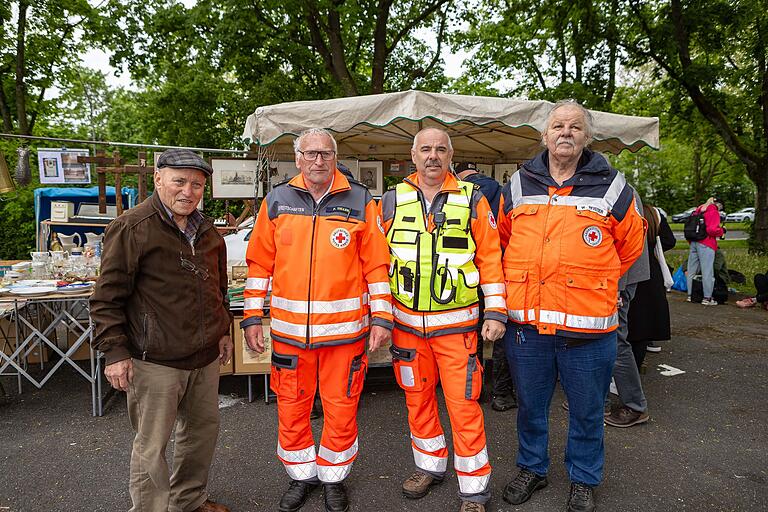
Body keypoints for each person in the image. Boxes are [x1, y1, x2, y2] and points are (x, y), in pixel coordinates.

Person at [497, 100, 645, 512]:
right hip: (527, 327)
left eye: (575, 127)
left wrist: (596, 283)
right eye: (558, 126)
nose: (565, 132)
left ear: (587, 137)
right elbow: (503, 240)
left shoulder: (613, 187)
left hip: (589, 331)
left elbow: (631, 246)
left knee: (587, 410)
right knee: (530, 407)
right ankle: (532, 468)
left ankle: (583, 478)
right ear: (544, 136)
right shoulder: (518, 184)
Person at [242, 128, 393, 512]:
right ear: (297, 158)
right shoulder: (276, 200)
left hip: (345, 336)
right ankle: (301, 476)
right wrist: (251, 317)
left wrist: (382, 318)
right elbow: (260, 263)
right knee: (292, 408)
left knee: (342, 409)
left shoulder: (360, 199)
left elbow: (376, 264)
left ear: (335, 155)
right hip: (291, 336)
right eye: (310, 154)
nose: (318, 160)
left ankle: (334, 478)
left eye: (325, 153)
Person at [90, 149, 233, 512]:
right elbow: (106, 298)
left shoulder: (206, 230)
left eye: (197, 184)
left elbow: (218, 287)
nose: (188, 190)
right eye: (179, 181)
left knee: (200, 435)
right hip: (154, 359)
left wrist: (224, 330)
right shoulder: (132, 227)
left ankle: (189, 500)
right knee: (151, 446)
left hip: (203, 357)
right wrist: (116, 353)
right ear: (158, 179)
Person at [380, 128, 506, 512]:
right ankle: (429, 467)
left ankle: (474, 490)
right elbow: (375, 263)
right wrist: (381, 318)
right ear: (412, 155)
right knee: (417, 401)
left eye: (440, 149)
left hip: (457, 328)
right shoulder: (389, 201)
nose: (432, 156)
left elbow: (490, 257)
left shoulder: (473, 199)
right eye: (425, 149)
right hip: (406, 327)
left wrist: (497, 310)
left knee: (464, 405)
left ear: (450, 155)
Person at [454, 161, 516, 412]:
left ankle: (474, 388)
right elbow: (506, 231)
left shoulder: (456, 192)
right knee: (500, 334)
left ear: (458, 173)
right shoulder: (502, 190)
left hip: (466, 273)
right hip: (499, 269)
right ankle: (502, 394)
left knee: (471, 333)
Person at [603, 190, 651, 428]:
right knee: (601, 340)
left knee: (615, 341)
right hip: (613, 280)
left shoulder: (617, 190)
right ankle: (599, 399)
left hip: (618, 280)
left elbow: (629, 242)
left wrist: (617, 288)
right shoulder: (613, 188)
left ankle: (635, 405)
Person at [627, 206, 676, 367]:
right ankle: (636, 363)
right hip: (651, 269)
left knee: (629, 321)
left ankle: (623, 374)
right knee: (644, 321)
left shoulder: (625, 210)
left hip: (627, 267)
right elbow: (669, 240)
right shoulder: (654, 213)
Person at [686, 197, 725, 305]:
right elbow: (712, 229)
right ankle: (707, 298)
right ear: (718, 204)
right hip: (706, 243)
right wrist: (721, 231)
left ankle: (691, 295)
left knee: (691, 271)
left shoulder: (699, 209)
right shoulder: (713, 211)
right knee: (707, 271)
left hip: (694, 241)